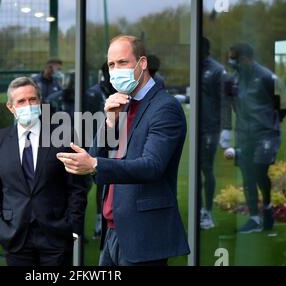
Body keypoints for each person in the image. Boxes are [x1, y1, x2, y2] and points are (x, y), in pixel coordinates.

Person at [57, 35, 190, 266]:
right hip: (112, 232)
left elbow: (152, 166)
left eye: (123, 62)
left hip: (143, 235)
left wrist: (95, 165)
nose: (115, 70)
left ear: (143, 63)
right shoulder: (122, 103)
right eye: (111, 65)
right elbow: (95, 153)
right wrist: (109, 122)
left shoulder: (165, 108)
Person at [0, 77, 88, 266]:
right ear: (10, 107)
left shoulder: (63, 136)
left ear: (40, 103)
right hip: (15, 237)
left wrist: (73, 227)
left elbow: (77, 187)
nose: (28, 105)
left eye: (32, 100)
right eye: (21, 101)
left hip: (56, 235)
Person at [224, 43, 281, 233]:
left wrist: (268, 122)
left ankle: (267, 206)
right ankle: (254, 218)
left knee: (259, 169)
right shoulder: (236, 79)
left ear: (247, 58)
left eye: (235, 58)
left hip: (264, 133)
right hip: (244, 134)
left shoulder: (266, 77)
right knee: (247, 174)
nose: (232, 62)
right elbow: (234, 103)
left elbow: (282, 105)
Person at [198, 37, 233, 230]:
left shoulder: (218, 71)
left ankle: (208, 212)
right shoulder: (196, 67)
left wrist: (226, 128)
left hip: (211, 128)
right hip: (197, 126)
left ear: (205, 49)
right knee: (196, 168)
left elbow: (226, 101)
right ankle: (199, 208)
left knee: (206, 168)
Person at [83, 62, 116, 240]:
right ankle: (87, 224)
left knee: (105, 183)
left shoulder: (119, 92)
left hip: (115, 144)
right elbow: (85, 120)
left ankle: (101, 221)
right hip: (94, 145)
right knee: (86, 186)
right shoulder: (94, 93)